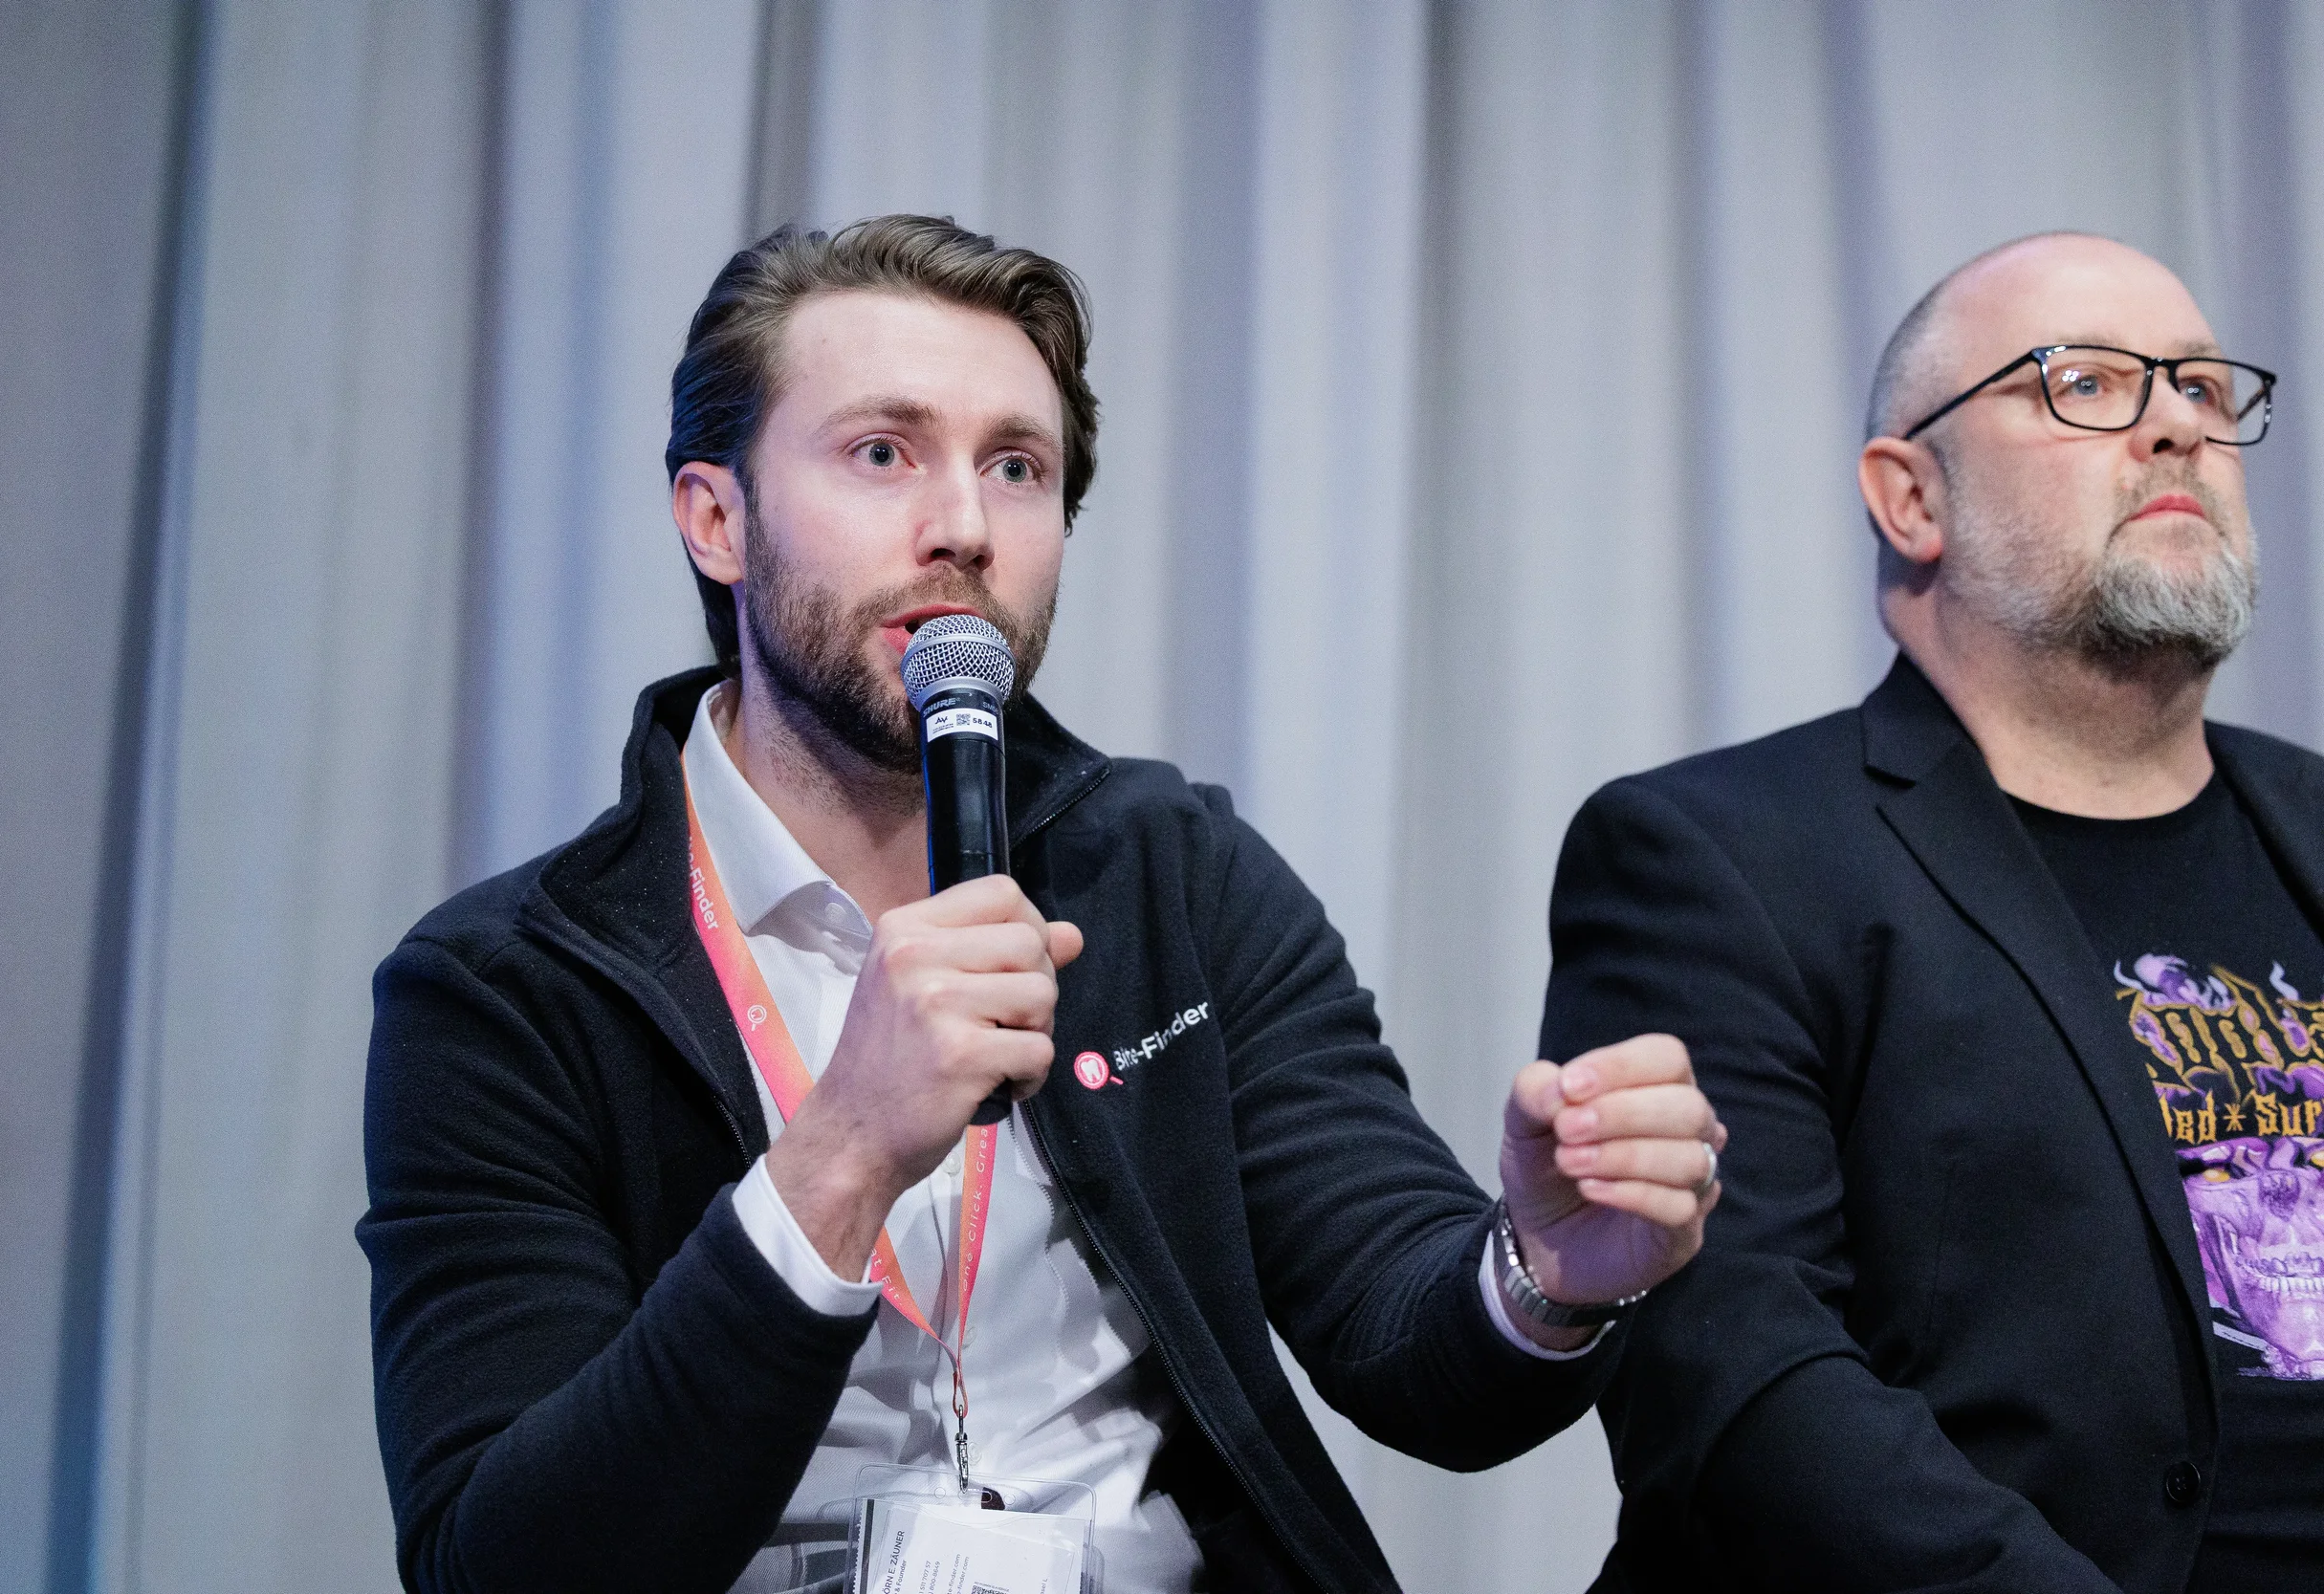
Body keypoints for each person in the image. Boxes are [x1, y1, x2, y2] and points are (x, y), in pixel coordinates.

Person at [358, 215, 1724, 1594]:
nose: (961, 527)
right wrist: (836, 1158)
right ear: (718, 520)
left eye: (1016, 467)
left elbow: (1409, 1335)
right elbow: (504, 1561)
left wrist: (1546, 1270)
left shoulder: (1168, 872)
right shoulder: (505, 986)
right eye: (882, 452)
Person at [1542, 229, 2317, 1593]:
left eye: (2202, 388)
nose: (2177, 430)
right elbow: (1743, 1385)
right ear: (1911, 498)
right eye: (2087, 383)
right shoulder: (1717, 857)